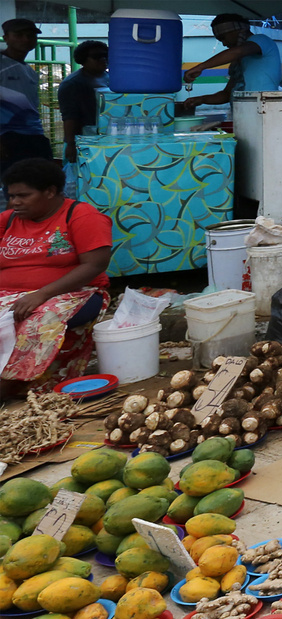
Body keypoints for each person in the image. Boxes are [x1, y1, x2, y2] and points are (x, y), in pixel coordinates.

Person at [0, 157, 111, 397]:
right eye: (11, 196)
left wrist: (42, 294)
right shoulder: (8, 220)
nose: (14, 202)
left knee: (39, 319)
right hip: (9, 294)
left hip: (72, 293)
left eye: (23, 195)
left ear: (50, 192)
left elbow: (95, 264)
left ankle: (13, 384)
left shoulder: (80, 215)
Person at [176, 14, 282, 114]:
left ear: (236, 31)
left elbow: (238, 51)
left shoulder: (261, 40)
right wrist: (201, 99)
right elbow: (226, 94)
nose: (224, 43)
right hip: (243, 113)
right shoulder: (240, 62)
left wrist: (201, 67)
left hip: (263, 109)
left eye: (223, 38)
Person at [0, 19, 51, 172]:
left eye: (30, 36)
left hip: (35, 135)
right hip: (8, 138)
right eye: (19, 35)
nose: (25, 39)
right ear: (6, 37)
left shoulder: (30, 71)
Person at [58, 40, 107, 164]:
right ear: (83, 59)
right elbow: (69, 116)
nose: (103, 59)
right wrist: (71, 144)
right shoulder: (72, 84)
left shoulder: (110, 78)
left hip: (104, 138)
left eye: (106, 55)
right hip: (82, 141)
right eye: (96, 56)